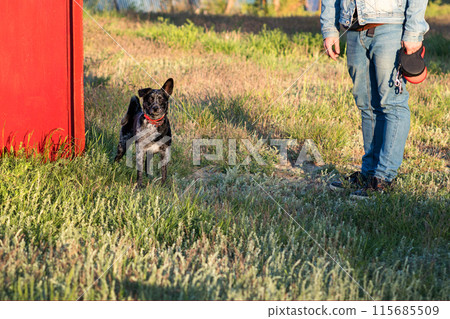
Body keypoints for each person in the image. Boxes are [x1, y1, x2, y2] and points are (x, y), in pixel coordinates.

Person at [320, 0, 429, 199]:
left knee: (392, 104)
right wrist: (329, 28)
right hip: (353, 27)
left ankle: (384, 178)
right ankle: (369, 173)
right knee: (366, 105)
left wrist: (414, 31)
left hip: (390, 26)